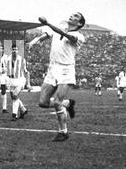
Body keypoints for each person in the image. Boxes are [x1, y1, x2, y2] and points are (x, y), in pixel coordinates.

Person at [27, 12, 86, 142]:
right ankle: (68, 104)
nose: (72, 16)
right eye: (72, 14)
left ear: (80, 23)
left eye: (76, 16)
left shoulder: (79, 36)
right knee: (43, 103)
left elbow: (64, 34)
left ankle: (63, 131)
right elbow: (48, 34)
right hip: (52, 69)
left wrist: (47, 23)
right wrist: (36, 40)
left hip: (66, 70)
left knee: (57, 102)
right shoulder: (60, 27)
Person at [6, 44, 28, 121]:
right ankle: (23, 110)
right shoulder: (8, 59)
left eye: (16, 49)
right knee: (13, 97)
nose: (14, 51)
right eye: (13, 49)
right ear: (11, 50)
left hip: (19, 80)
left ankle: (14, 115)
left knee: (15, 96)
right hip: (11, 80)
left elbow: (26, 72)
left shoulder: (22, 59)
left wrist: (28, 84)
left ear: (18, 51)